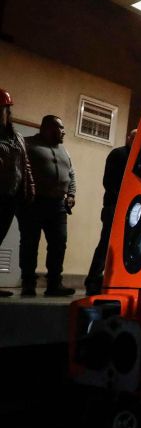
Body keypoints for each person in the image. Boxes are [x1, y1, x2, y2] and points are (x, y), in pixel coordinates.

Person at [18, 115, 76, 297]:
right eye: (60, 128)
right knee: (30, 243)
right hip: (32, 203)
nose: (64, 132)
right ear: (47, 128)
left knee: (59, 243)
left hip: (58, 205)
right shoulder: (27, 144)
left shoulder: (64, 150)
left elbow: (71, 173)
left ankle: (54, 284)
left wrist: (71, 194)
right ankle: (28, 284)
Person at [84, 128, 136, 295]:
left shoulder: (135, 156)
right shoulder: (119, 154)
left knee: (123, 245)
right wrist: (123, 199)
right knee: (106, 244)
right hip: (114, 206)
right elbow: (109, 182)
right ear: (128, 138)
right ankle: (93, 281)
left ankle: (110, 281)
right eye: (134, 137)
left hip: (128, 207)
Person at [0, 88, 35, 297]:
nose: (3, 113)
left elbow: (25, 165)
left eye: (4, 109)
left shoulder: (17, 137)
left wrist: (30, 187)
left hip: (11, 196)